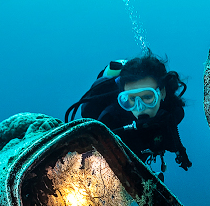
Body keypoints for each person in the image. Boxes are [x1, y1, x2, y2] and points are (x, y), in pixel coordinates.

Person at [64, 53, 192, 177]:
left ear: (162, 93)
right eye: (131, 99)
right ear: (124, 99)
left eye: (147, 97)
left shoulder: (173, 112)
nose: (140, 107)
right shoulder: (109, 119)